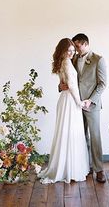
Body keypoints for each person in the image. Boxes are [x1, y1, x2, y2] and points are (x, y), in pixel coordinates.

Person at [38, 38, 89, 184]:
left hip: (65, 99)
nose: (72, 53)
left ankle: (66, 167)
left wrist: (62, 87)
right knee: (70, 132)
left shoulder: (63, 62)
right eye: (69, 50)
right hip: (70, 101)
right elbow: (72, 85)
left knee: (65, 132)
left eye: (73, 50)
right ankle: (69, 169)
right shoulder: (66, 62)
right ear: (63, 50)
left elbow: (64, 83)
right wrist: (79, 102)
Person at [62, 33, 107, 183]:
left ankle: (99, 170)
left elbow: (102, 84)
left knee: (95, 137)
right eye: (74, 46)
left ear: (85, 43)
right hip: (75, 104)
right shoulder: (73, 58)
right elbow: (69, 78)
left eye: (77, 46)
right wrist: (60, 86)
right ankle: (85, 167)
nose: (75, 49)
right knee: (80, 137)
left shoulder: (98, 59)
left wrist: (91, 100)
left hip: (91, 105)